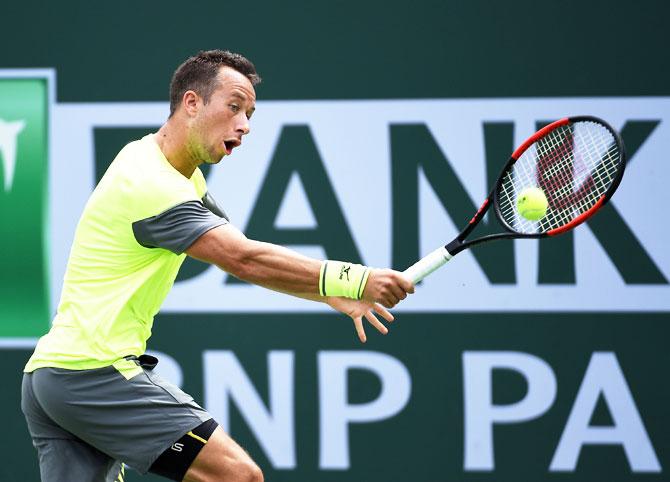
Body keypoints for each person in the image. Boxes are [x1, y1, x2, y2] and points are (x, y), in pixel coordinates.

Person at [21, 50, 414, 482]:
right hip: (92, 375)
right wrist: (356, 279)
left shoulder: (157, 162)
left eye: (249, 113)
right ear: (192, 103)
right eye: (234, 107)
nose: (244, 125)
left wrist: (327, 293)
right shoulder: (153, 186)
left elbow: (242, 252)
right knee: (238, 477)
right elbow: (242, 258)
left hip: (51, 379)